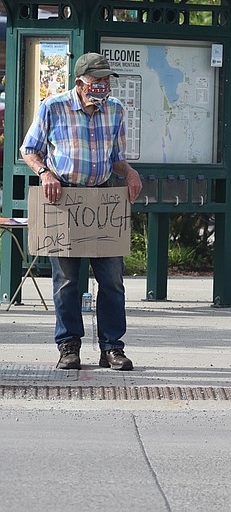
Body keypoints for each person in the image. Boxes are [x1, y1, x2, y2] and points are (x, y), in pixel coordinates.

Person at [20, 52, 143, 371]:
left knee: (112, 279)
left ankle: (112, 348)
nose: (102, 87)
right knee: (66, 281)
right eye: (97, 81)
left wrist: (129, 172)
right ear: (80, 82)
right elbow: (29, 149)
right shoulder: (53, 106)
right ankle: (68, 346)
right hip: (64, 198)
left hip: (102, 201)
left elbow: (116, 156)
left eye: (106, 81)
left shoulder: (115, 110)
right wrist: (45, 173)